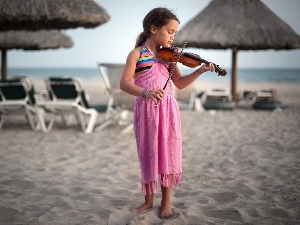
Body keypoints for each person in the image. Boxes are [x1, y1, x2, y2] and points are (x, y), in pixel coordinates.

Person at [120, 7, 214, 219]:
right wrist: (145, 92)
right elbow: (124, 83)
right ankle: (148, 200)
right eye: (170, 31)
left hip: (168, 112)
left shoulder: (170, 58)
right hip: (145, 112)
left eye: (175, 33)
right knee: (147, 152)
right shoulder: (137, 54)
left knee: (167, 154)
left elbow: (179, 83)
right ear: (154, 29)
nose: (173, 36)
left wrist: (198, 70)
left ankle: (166, 203)